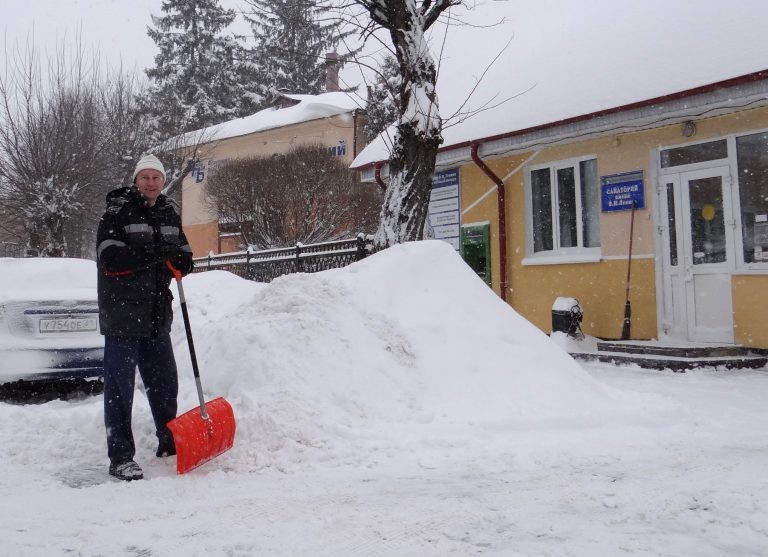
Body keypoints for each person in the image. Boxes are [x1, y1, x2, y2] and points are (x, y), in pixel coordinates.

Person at [96, 154, 193, 481]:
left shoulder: (168, 211)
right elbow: (110, 259)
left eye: (156, 177)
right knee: (120, 388)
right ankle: (120, 456)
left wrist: (183, 260)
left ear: (162, 181)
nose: (151, 183)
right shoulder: (117, 211)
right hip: (122, 315)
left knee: (165, 382)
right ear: (136, 180)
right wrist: (153, 255)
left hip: (155, 315)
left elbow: (183, 251)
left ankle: (169, 440)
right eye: (145, 177)